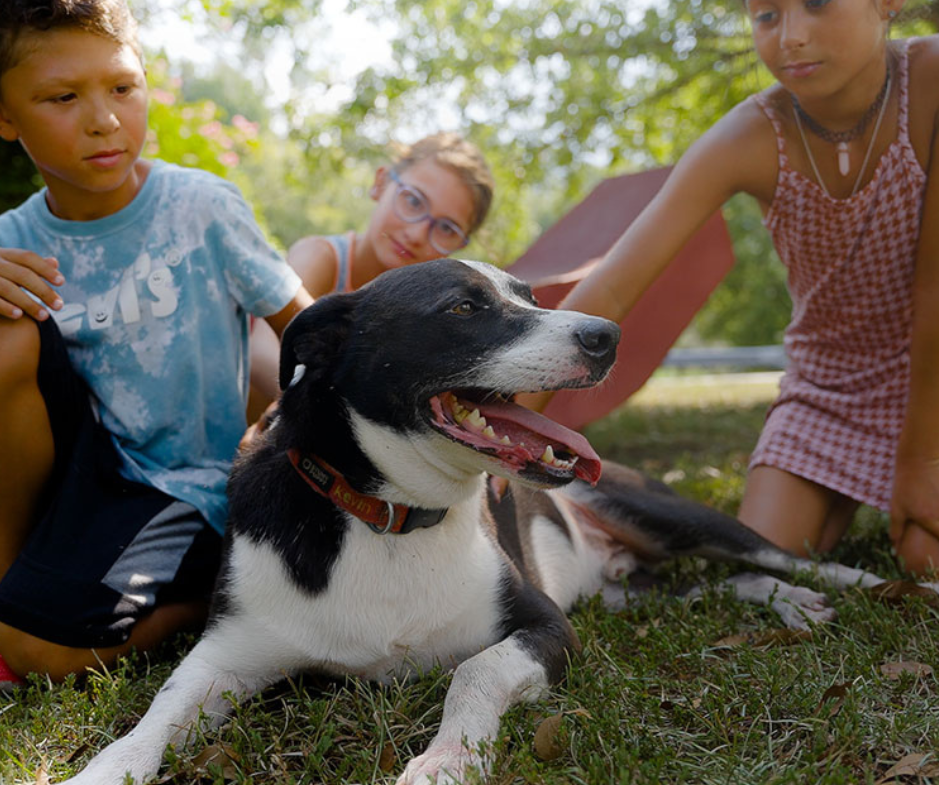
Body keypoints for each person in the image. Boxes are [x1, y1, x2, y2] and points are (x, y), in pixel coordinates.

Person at [526, 0, 939, 574]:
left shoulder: (930, 81)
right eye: (766, 15)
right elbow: (613, 290)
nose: (790, 37)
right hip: (831, 387)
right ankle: (841, 485)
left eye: (816, 5)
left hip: (934, 374)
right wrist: (503, 439)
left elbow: (934, 292)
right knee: (763, 559)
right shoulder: (750, 135)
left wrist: (922, 461)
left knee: (926, 558)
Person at [0, 0, 313, 687]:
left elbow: (311, 333)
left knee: (37, 653)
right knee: (3, 328)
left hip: (177, 485)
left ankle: (213, 599)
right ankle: (9, 577)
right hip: (71, 476)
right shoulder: (11, 241)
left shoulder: (200, 208)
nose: (104, 119)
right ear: (5, 117)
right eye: (63, 97)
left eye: (121, 87)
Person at [247, 132, 494, 421]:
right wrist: (319, 403)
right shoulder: (323, 258)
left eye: (446, 228)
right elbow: (261, 348)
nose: (416, 235)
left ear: (460, 245)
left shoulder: (429, 318)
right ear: (381, 183)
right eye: (413, 201)